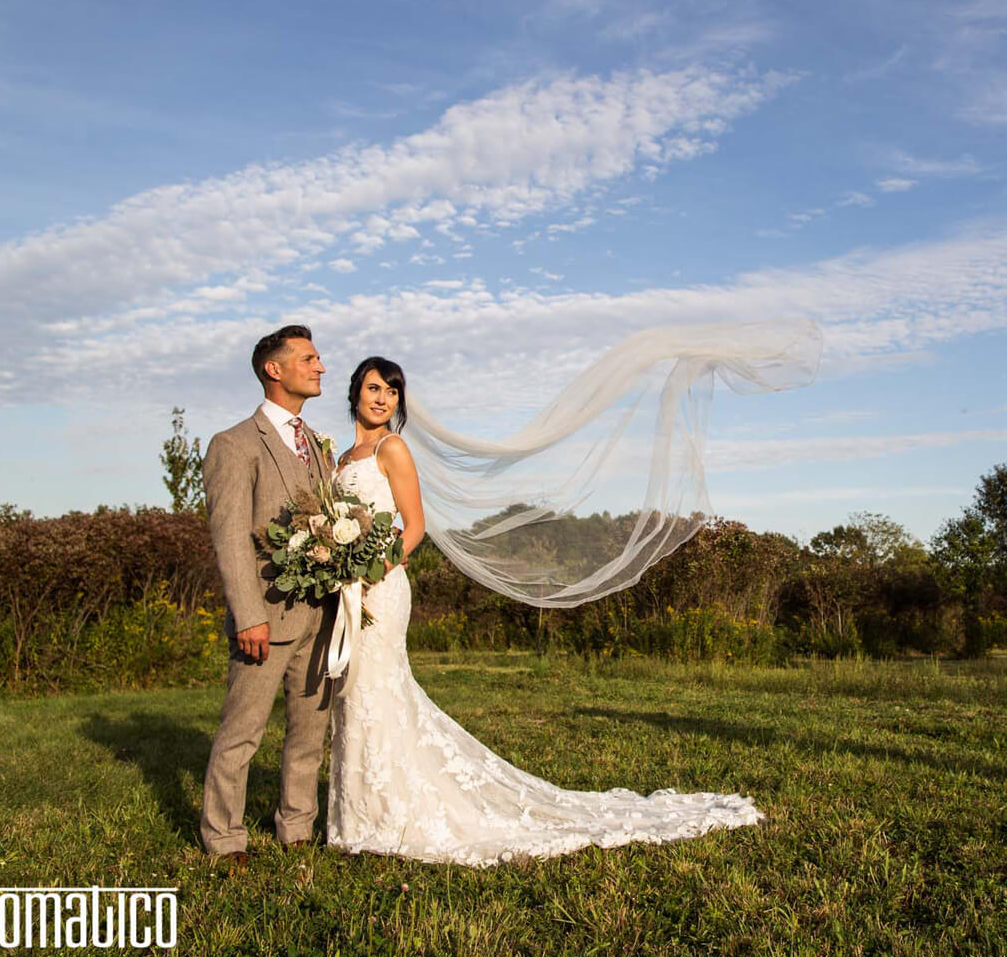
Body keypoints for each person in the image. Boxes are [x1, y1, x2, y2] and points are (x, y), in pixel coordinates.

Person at [326, 355, 764, 866]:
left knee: (378, 689)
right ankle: (356, 815)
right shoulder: (338, 459)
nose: (382, 399)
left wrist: (373, 569)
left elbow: (415, 526)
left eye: (393, 392)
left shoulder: (391, 448)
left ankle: (392, 815)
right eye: (374, 388)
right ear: (355, 392)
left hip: (380, 586)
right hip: (344, 589)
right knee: (350, 693)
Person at [198, 324, 336, 872]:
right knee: (242, 733)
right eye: (309, 358)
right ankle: (224, 836)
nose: (320, 367)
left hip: (321, 614)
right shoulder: (232, 445)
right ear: (273, 369)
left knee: (310, 731)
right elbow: (230, 536)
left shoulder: (318, 447)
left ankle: (297, 824)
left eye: (319, 358)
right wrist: (248, 616)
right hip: (266, 618)